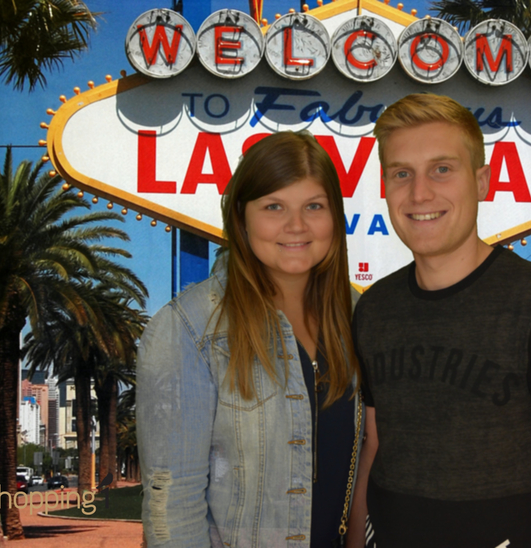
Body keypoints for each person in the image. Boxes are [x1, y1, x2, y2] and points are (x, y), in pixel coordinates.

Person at [347, 94, 531, 548]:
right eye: (401, 173)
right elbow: (374, 447)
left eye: (442, 169)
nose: (419, 193)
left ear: (482, 181)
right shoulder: (374, 310)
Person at [138, 131, 363, 548]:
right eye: (273, 206)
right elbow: (173, 506)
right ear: (241, 216)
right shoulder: (188, 328)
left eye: (314, 206)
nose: (296, 225)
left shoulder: (357, 316)